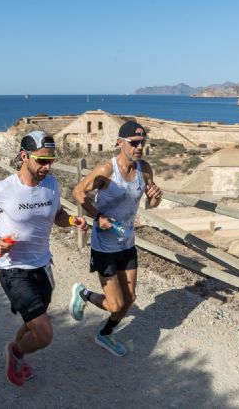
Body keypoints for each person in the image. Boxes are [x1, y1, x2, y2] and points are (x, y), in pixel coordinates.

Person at [0, 130, 88, 386]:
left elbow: (57, 215)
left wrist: (72, 220)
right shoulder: (3, 189)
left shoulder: (51, 185)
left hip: (43, 266)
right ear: (24, 157)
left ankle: (15, 349)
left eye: (51, 160)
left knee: (35, 319)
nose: (47, 166)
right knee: (44, 334)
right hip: (14, 270)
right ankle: (16, 352)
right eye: (41, 160)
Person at [70, 120, 163, 356]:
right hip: (104, 246)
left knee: (129, 299)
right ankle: (83, 293)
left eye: (142, 142)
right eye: (134, 143)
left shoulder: (145, 169)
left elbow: (152, 204)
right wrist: (97, 216)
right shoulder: (106, 170)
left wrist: (156, 196)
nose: (139, 147)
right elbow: (78, 191)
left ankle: (104, 334)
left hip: (127, 242)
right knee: (115, 304)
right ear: (120, 143)